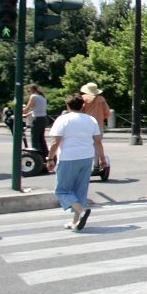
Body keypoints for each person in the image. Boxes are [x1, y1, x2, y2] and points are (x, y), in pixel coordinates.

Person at [46, 94, 105, 231]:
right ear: (82, 105)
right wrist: (102, 158)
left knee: (62, 190)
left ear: (67, 106)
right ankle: (75, 222)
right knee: (80, 190)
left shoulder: (63, 119)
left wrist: (49, 158)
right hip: (87, 157)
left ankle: (82, 210)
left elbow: (56, 142)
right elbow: (97, 141)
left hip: (68, 157)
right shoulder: (91, 120)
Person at [22, 84, 49, 158]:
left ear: (32, 90)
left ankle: (36, 157)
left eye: (28, 91)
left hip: (37, 120)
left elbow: (26, 109)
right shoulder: (42, 97)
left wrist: (19, 111)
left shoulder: (33, 96)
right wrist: (28, 114)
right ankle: (45, 155)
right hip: (43, 119)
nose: (28, 92)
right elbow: (37, 109)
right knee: (41, 139)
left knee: (35, 139)